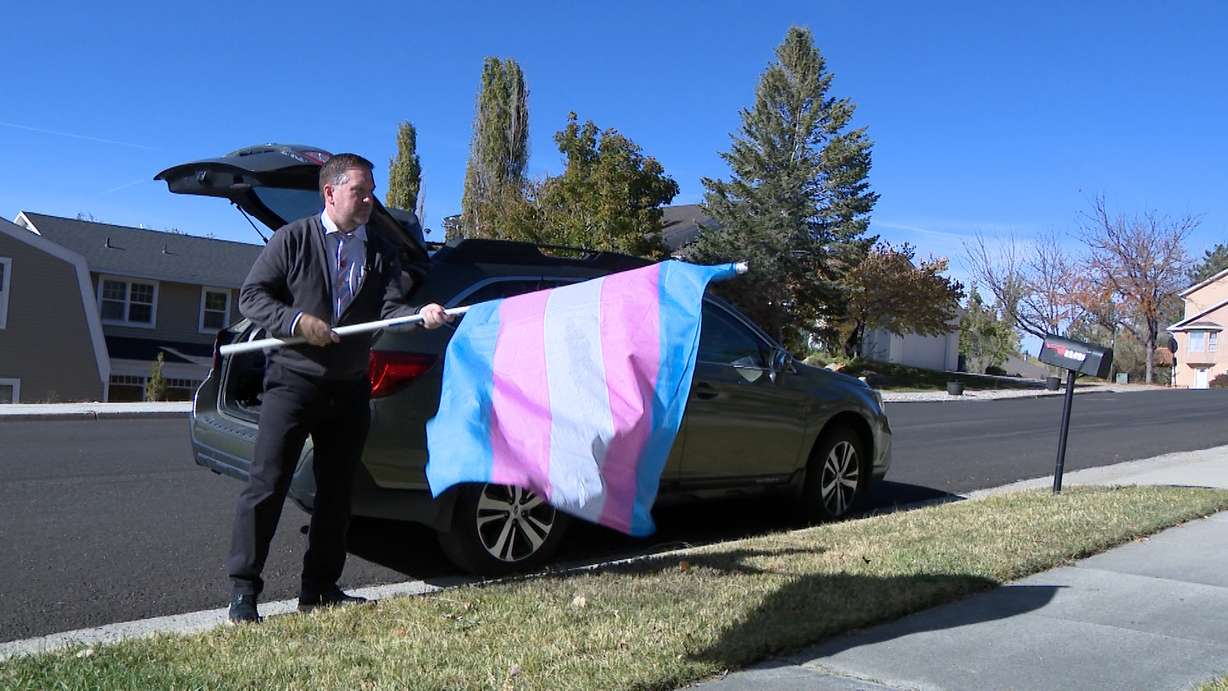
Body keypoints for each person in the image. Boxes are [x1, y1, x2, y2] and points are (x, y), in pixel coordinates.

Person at [226, 153, 452, 624]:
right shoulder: (293, 239)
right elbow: (252, 296)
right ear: (330, 192)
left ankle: (320, 588)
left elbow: (390, 311)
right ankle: (244, 592)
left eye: (372, 191)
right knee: (266, 486)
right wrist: (296, 321)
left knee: (337, 494)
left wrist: (421, 317)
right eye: (360, 191)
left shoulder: (380, 252)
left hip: (350, 387)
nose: (370, 200)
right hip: (292, 383)